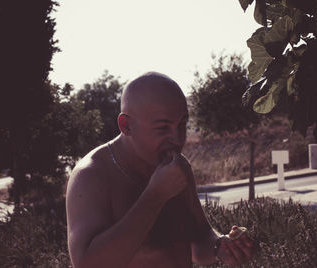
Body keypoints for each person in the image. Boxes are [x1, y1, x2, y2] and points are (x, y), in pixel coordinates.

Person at [66, 72, 255, 268]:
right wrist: (155, 196)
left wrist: (220, 246)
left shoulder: (177, 167)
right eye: (163, 128)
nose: (177, 138)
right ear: (126, 125)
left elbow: (199, 238)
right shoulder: (91, 176)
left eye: (182, 125)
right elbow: (86, 264)